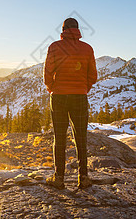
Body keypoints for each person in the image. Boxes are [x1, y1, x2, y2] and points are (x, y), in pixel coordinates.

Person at [44, 17, 97, 189]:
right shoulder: (87, 49)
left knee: (59, 137)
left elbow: (47, 71)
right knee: (81, 137)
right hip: (79, 97)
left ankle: (59, 178)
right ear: (78, 29)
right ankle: (84, 177)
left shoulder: (55, 47)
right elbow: (93, 75)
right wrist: (83, 88)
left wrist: (52, 88)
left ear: (63, 29)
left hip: (58, 96)